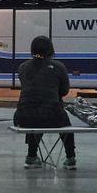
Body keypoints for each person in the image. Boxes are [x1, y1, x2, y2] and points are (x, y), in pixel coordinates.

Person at [13, 36, 76, 170]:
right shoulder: (59, 67)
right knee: (62, 121)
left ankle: (31, 157)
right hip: (52, 116)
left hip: (23, 117)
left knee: (35, 115)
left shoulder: (23, 67)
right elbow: (64, 91)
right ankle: (71, 158)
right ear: (51, 49)